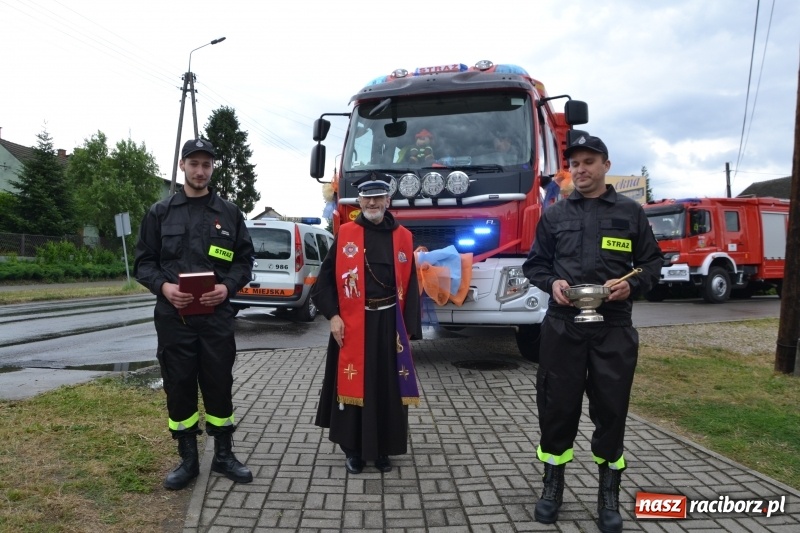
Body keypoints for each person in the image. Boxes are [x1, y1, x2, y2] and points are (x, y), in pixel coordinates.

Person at [522, 135, 663, 533]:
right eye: (575, 164)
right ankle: (552, 488)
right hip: (562, 328)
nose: (581, 170)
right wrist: (551, 284)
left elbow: (652, 263)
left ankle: (608, 496)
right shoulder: (555, 215)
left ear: (605, 164)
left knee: (611, 411)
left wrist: (632, 286)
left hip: (613, 328)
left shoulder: (630, 212)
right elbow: (535, 265)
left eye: (589, 162)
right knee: (556, 409)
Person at [134, 138, 255, 490]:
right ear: (182, 166)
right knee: (180, 385)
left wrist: (228, 287)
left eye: (206, 164)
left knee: (219, 384)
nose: (200, 171)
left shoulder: (229, 213)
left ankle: (224, 455)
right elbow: (144, 262)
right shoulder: (161, 212)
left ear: (212, 168)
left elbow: (244, 261)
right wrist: (164, 288)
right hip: (175, 318)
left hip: (216, 317)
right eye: (194, 164)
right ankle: (187, 460)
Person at [312, 172, 422, 475]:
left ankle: (384, 449)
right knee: (355, 385)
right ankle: (354, 451)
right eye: (366, 197)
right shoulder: (345, 234)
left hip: (389, 324)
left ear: (388, 200)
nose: (372, 202)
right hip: (353, 324)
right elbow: (325, 282)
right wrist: (333, 316)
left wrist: (408, 328)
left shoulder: (404, 237)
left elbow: (412, 286)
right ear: (359, 201)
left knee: (388, 387)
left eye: (378, 196)